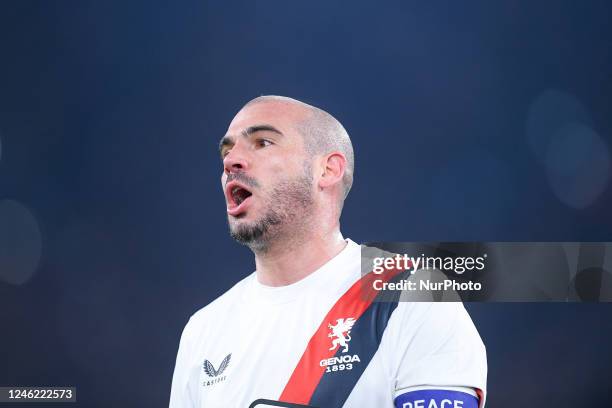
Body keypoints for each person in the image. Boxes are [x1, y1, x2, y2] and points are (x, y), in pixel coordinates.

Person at [169, 96, 487, 408]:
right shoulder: (204, 329)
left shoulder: (410, 297)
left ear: (327, 170)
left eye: (263, 142)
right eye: (228, 150)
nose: (230, 161)